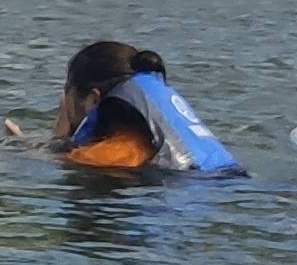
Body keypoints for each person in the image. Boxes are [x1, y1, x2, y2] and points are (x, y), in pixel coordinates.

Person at [17, 40, 246, 174]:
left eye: (69, 97)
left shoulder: (124, 146)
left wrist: (55, 139)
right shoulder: (147, 122)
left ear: (93, 100)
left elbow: (69, 166)